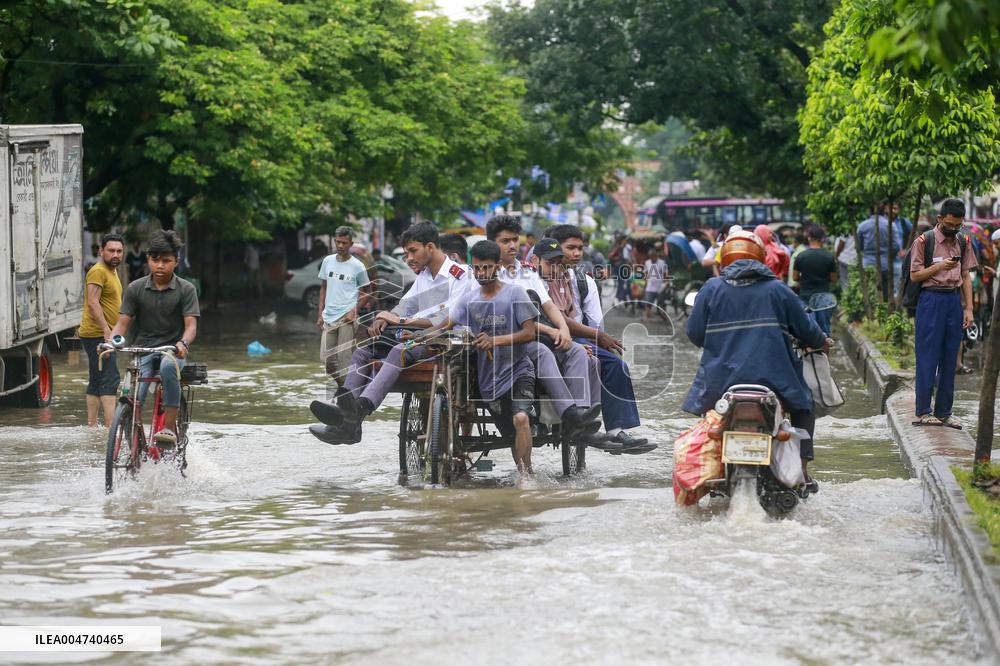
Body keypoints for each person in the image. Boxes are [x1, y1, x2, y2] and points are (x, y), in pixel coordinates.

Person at [684, 230, 827, 485]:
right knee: (804, 405)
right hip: (777, 381)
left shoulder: (711, 288)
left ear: (724, 258)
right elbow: (808, 331)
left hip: (720, 383)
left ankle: (711, 466)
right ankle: (803, 469)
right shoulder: (778, 290)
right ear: (761, 257)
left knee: (709, 420)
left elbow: (694, 334)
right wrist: (821, 342)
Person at [487, 216, 612, 449]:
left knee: (582, 354)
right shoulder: (486, 274)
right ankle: (569, 412)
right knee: (543, 351)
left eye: (515, 240)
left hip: (539, 335)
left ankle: (582, 418)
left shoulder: (527, 272)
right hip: (509, 342)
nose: (513, 245)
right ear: (493, 243)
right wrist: (552, 330)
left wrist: (563, 330)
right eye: (505, 241)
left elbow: (549, 306)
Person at [541, 225, 653, 450]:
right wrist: (597, 335)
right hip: (543, 336)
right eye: (570, 248)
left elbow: (593, 321)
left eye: (580, 248)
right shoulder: (536, 277)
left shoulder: (584, 280)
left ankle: (615, 429)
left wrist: (596, 339)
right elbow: (553, 317)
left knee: (614, 364)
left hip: (579, 337)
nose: (576, 253)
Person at [109, 230, 200, 448]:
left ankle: (168, 428)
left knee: (169, 367)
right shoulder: (135, 288)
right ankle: (134, 442)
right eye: (155, 260)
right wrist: (111, 341)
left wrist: (183, 343)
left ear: (176, 262)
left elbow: (191, 326)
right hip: (142, 350)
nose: (160, 265)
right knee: (133, 395)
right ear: (148, 259)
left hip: (172, 351)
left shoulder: (186, 289)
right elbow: (122, 324)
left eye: (166, 261)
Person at [909, 198, 976, 429]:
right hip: (931, 300)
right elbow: (915, 275)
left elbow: (966, 275)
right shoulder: (923, 241)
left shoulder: (964, 241)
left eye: (958, 225)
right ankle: (924, 411)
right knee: (928, 356)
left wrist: (968, 308)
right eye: (949, 224)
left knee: (950, 358)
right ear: (940, 219)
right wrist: (939, 266)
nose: (953, 229)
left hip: (953, 301)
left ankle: (944, 411)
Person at [78, 233, 125, 427]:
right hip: (99, 334)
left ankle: (92, 426)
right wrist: (107, 331)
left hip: (100, 333)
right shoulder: (98, 271)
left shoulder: (111, 271)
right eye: (111, 250)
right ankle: (110, 428)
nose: (115, 254)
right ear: (101, 251)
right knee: (110, 378)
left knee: (96, 378)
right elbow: (93, 303)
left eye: (119, 251)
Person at [317, 226, 371, 386]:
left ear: (350, 244)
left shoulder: (358, 266)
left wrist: (354, 310)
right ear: (334, 241)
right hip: (329, 316)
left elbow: (368, 292)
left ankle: (348, 394)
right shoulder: (327, 261)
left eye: (344, 243)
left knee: (343, 359)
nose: (340, 246)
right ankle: (346, 387)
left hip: (347, 317)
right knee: (326, 360)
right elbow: (323, 287)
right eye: (338, 242)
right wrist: (320, 313)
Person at [792, 226, 838, 335]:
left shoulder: (801, 256)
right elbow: (834, 278)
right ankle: (825, 351)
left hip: (806, 296)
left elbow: (794, 277)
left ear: (809, 238)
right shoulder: (829, 256)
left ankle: (808, 349)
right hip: (824, 298)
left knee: (808, 328)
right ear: (822, 239)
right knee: (824, 331)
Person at [856, 208, 903, 300]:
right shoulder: (890, 225)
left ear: (870, 211)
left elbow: (859, 247)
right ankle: (886, 311)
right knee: (886, 292)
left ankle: (873, 311)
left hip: (868, 264)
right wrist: (889, 256)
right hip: (885, 264)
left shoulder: (862, 226)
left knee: (871, 293)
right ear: (883, 212)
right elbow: (896, 246)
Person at [643, 246, 667, 320]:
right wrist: (645, 282)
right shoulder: (647, 262)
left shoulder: (662, 263)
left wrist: (665, 283)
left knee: (661, 302)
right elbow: (646, 273)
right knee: (648, 302)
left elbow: (665, 274)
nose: (652, 258)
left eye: (653, 256)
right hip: (650, 286)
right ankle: (647, 316)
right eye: (651, 257)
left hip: (659, 286)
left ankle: (664, 315)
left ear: (656, 256)